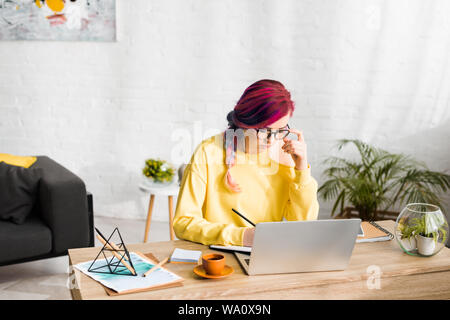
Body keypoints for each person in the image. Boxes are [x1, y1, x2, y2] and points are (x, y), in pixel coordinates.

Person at [173, 79, 319, 247]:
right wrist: (242, 237)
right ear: (245, 123)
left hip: (264, 255)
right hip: (216, 257)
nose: (272, 140)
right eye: (265, 131)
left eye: (280, 131)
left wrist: (302, 171)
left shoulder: (287, 157)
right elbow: (183, 223)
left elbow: (303, 224)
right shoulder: (208, 151)